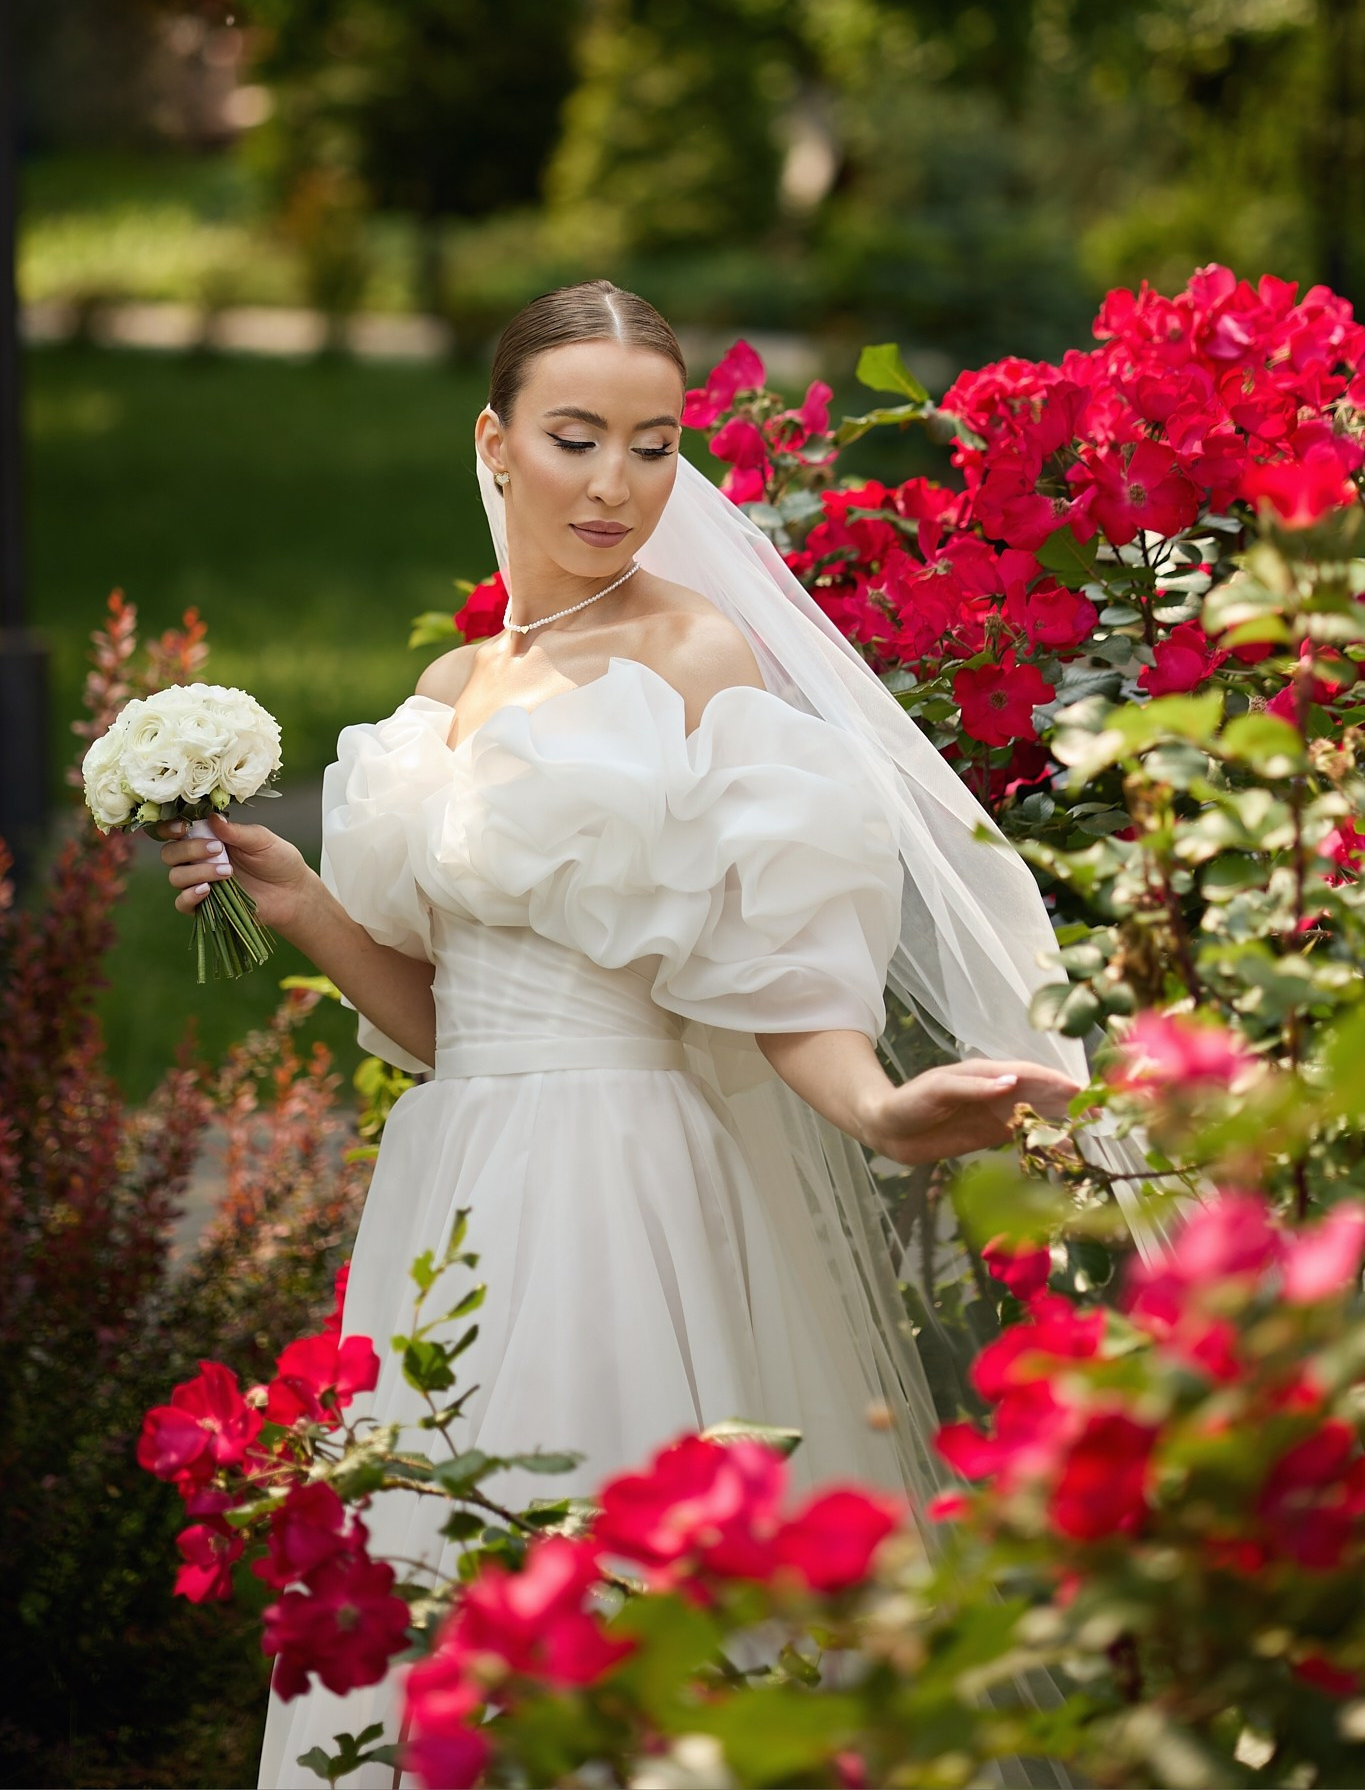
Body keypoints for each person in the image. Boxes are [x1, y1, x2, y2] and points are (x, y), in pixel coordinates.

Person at [155, 281, 1086, 1789]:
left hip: (627, 1181)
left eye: (652, 447)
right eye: (577, 437)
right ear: (496, 442)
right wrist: (304, 899)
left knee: (626, 1581)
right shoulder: (451, 691)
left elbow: (778, 974)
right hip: (454, 1181)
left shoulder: (696, 656)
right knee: (443, 1574)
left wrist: (881, 1111)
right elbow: (445, 1026)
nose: (615, 484)